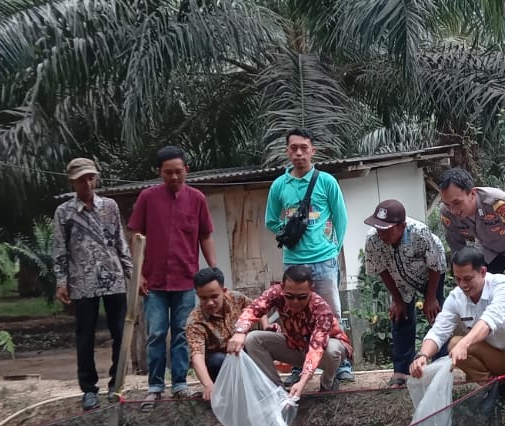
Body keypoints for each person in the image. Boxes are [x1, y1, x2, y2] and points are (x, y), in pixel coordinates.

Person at [411, 246, 505, 418]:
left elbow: (488, 321)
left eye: (468, 279)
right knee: (454, 344)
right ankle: (496, 389)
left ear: (483, 272)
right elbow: (439, 330)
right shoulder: (456, 297)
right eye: (457, 279)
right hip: (497, 357)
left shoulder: (503, 286)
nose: (462, 285)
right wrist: (422, 356)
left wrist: (465, 343)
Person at [128, 146, 217, 399]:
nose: (174, 177)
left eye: (179, 172)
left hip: (187, 280)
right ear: (160, 173)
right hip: (153, 282)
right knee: (156, 333)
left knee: (181, 332)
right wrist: (139, 274)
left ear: (186, 170)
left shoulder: (197, 198)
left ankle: (179, 383)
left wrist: (213, 271)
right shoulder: (147, 198)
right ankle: (155, 386)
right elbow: (136, 236)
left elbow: (205, 235)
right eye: (168, 173)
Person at [266, 128, 352, 381]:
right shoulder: (280, 185)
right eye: (294, 148)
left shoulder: (326, 181)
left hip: (324, 260)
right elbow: (271, 220)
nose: (299, 153)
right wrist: (288, 231)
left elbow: (341, 218)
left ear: (313, 150)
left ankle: (342, 365)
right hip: (293, 261)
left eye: (304, 147)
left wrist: (334, 249)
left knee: (332, 312)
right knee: (293, 315)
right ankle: (297, 366)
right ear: (287, 151)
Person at [51, 157, 134, 410]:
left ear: (96, 178)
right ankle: (88, 389)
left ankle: (116, 384)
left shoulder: (109, 206)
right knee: (85, 335)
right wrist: (61, 281)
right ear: (73, 182)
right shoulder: (64, 212)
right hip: (82, 281)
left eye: (91, 177)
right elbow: (59, 248)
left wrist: (131, 272)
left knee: (120, 332)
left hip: (113, 278)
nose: (87, 183)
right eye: (81, 179)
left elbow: (121, 240)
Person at [227, 264, 353, 399]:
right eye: (289, 296)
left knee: (332, 350)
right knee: (252, 339)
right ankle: (277, 391)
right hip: (296, 346)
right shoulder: (275, 292)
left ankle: (328, 383)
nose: (295, 301)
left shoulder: (321, 308)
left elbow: (317, 346)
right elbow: (255, 308)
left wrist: (302, 382)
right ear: (282, 287)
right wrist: (239, 332)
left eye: (302, 297)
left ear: (311, 290)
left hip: (324, 352)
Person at [361, 199, 446, 387]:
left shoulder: (420, 232)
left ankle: (441, 365)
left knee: (436, 314)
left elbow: (435, 265)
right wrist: (397, 299)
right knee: (400, 317)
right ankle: (401, 371)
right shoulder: (373, 239)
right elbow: (380, 268)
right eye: (378, 228)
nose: (381, 233)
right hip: (397, 277)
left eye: (387, 229)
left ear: (402, 226)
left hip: (429, 273)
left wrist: (430, 298)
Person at [437, 168, 505, 290]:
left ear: (472, 193)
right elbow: (457, 247)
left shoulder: (496, 202)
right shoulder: (447, 214)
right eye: (447, 204)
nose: (453, 210)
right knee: (480, 286)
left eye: (457, 203)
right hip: (489, 246)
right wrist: (463, 274)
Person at [184, 267, 250, 403]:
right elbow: (197, 356)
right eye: (203, 298)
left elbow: (256, 308)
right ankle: (228, 393)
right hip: (221, 366)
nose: (210, 303)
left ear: (224, 292)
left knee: (256, 342)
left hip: (244, 354)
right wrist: (208, 385)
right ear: (197, 295)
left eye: (214, 296)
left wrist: (267, 326)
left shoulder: (237, 298)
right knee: (216, 360)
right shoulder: (195, 321)